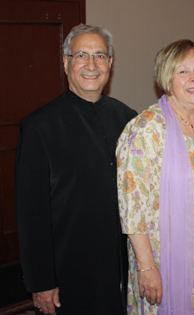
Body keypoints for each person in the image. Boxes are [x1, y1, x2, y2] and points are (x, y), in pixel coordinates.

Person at [15, 24, 137, 315]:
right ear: (66, 61)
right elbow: (32, 213)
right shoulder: (39, 126)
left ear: (110, 62)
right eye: (81, 55)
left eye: (99, 55)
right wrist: (41, 281)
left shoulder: (129, 119)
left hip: (123, 264)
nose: (91, 65)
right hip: (69, 269)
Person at [116, 39, 194, 315]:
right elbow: (132, 208)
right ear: (166, 78)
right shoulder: (145, 129)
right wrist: (147, 267)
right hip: (166, 259)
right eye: (182, 71)